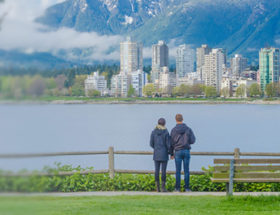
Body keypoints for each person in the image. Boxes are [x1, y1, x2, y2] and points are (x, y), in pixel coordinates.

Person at [170, 114, 196, 192]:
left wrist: (171, 153)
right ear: (182, 119)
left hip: (177, 151)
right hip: (186, 150)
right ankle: (187, 188)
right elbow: (193, 140)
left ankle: (177, 188)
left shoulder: (174, 130)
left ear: (176, 120)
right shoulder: (188, 129)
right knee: (186, 170)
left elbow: (171, 143)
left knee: (178, 171)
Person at [150, 118, 170, 192]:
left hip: (156, 153)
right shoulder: (166, 132)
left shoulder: (153, 132)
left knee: (156, 170)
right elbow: (168, 144)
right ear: (164, 124)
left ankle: (157, 188)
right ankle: (163, 188)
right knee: (163, 171)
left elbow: (151, 143)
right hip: (164, 153)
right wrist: (170, 152)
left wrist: (156, 148)